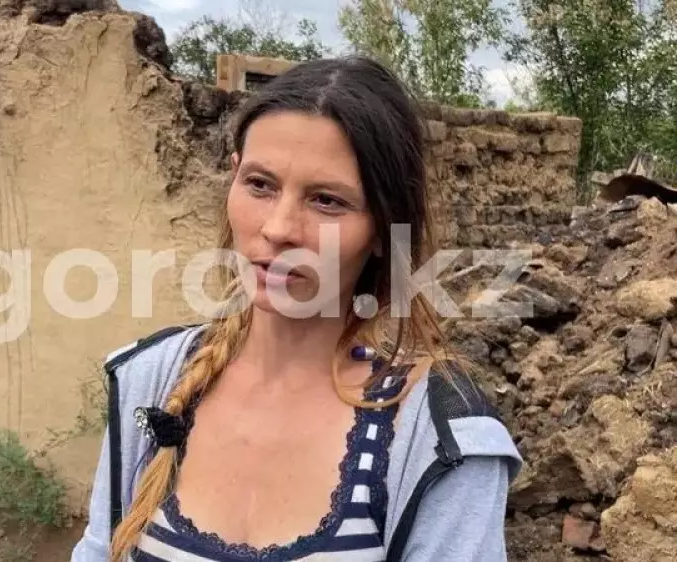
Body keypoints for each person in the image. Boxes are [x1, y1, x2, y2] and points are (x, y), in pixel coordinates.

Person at [70, 55, 522, 562]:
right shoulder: (153, 381)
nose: (279, 228)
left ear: (383, 229)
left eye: (327, 200)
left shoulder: (438, 435)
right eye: (260, 185)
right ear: (233, 179)